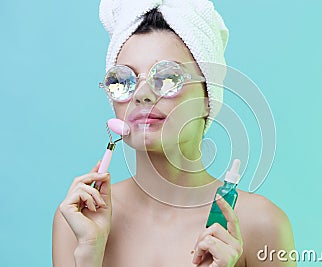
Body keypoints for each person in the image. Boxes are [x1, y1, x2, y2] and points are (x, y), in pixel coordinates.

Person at [52, 1, 296, 266]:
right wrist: (88, 255)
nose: (142, 95)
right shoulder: (79, 222)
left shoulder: (261, 224)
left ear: (208, 97)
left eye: (168, 78)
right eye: (122, 80)